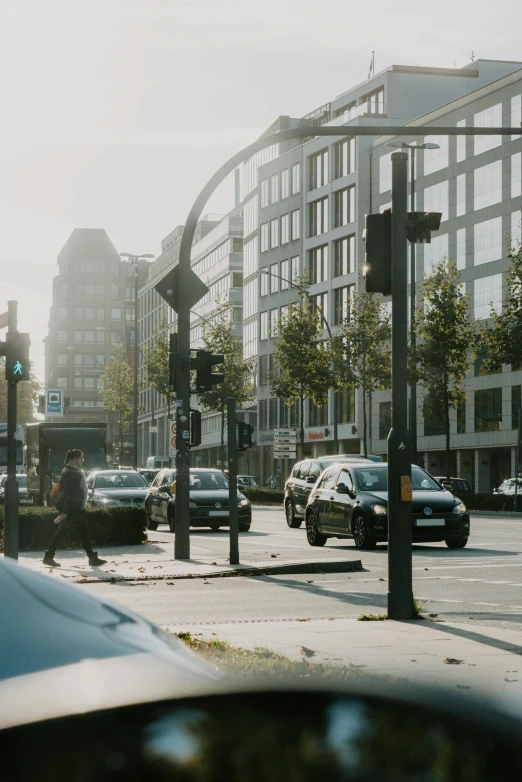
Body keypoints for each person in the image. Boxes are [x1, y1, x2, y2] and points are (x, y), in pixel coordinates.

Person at [43, 449, 106, 567]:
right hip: (73, 508)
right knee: (77, 531)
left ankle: (49, 557)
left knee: (74, 531)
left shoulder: (69, 469)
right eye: (81, 458)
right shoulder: (73, 472)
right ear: (75, 459)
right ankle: (91, 558)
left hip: (73, 507)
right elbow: (67, 492)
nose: (83, 460)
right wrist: (65, 511)